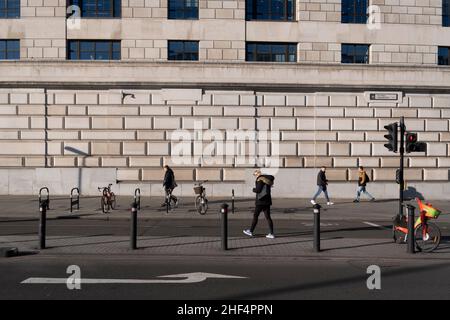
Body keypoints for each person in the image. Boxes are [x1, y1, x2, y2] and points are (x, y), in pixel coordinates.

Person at [243, 170, 275, 239]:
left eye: (255, 175)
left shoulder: (259, 179)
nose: (255, 176)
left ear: (257, 174)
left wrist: (253, 189)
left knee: (255, 216)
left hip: (260, 201)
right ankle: (271, 233)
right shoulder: (267, 180)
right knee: (268, 217)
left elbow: (258, 190)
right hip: (267, 201)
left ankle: (250, 231)